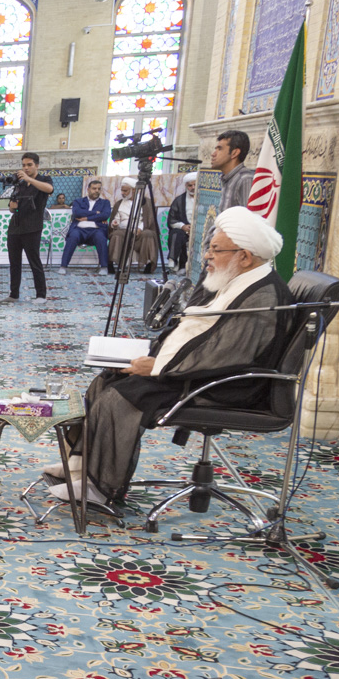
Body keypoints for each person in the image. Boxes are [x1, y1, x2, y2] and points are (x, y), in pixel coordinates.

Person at [56, 208, 295, 506]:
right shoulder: (238, 277)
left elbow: (227, 352)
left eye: (216, 250)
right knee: (107, 378)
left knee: (120, 397)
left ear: (245, 256)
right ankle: (80, 465)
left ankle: (100, 487)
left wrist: (159, 367)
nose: (207, 256)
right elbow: (199, 327)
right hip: (204, 371)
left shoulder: (263, 296)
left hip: (227, 385)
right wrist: (153, 357)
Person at [4, 151, 54, 302]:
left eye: (29, 165)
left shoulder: (44, 179)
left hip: (32, 227)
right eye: (24, 165)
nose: (26, 168)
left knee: (34, 262)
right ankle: (13, 294)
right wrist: (12, 206)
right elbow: (12, 209)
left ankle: (41, 295)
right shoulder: (19, 184)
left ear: (37, 165)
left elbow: (49, 189)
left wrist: (28, 179)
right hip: (15, 227)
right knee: (14, 262)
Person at [205, 129, 252, 245]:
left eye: (219, 149)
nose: (213, 154)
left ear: (234, 153)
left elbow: (248, 226)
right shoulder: (228, 179)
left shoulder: (244, 179)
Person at [60, 179, 111, 275]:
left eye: (99, 189)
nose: (97, 191)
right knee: (72, 237)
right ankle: (63, 266)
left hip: (96, 230)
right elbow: (77, 213)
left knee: (101, 238)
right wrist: (96, 213)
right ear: (88, 189)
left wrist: (87, 218)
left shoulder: (105, 203)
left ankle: (104, 267)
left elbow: (105, 215)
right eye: (94, 188)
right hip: (79, 229)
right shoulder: (78, 201)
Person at [108, 181, 159, 276]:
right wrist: (114, 224)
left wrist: (139, 228)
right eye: (122, 190)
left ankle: (149, 264)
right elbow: (116, 218)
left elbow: (149, 219)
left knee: (148, 234)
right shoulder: (119, 203)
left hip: (141, 229)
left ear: (134, 190)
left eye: (125, 191)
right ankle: (114, 264)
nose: (122, 193)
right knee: (116, 235)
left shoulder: (146, 202)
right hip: (123, 229)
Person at [167, 173, 198, 272]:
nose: (193, 188)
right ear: (186, 186)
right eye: (190, 185)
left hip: (200, 229)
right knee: (176, 233)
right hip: (185, 230)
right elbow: (171, 220)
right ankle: (176, 262)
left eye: (195, 185)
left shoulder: (205, 199)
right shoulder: (179, 200)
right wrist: (183, 226)